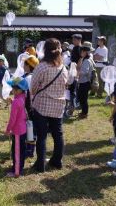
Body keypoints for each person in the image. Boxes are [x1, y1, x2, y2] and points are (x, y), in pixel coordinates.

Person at [30, 38, 68, 173]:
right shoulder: (63, 68)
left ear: (45, 50)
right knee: (58, 135)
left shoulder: (42, 66)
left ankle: (40, 165)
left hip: (42, 106)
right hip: (58, 106)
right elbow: (66, 85)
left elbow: (33, 88)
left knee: (41, 136)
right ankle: (57, 161)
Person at [5, 77, 29, 177]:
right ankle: (19, 166)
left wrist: (8, 129)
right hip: (23, 128)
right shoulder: (23, 97)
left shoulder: (16, 101)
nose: (12, 90)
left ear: (19, 90)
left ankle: (16, 171)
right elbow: (19, 105)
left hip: (17, 131)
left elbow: (12, 119)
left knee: (17, 151)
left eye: (14, 89)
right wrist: (12, 101)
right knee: (21, 150)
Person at [77, 42, 96, 119]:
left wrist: (76, 73)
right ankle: (83, 112)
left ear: (85, 52)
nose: (81, 52)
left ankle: (85, 113)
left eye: (82, 51)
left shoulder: (87, 61)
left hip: (85, 82)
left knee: (83, 99)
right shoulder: (84, 59)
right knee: (82, 98)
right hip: (83, 82)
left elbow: (84, 71)